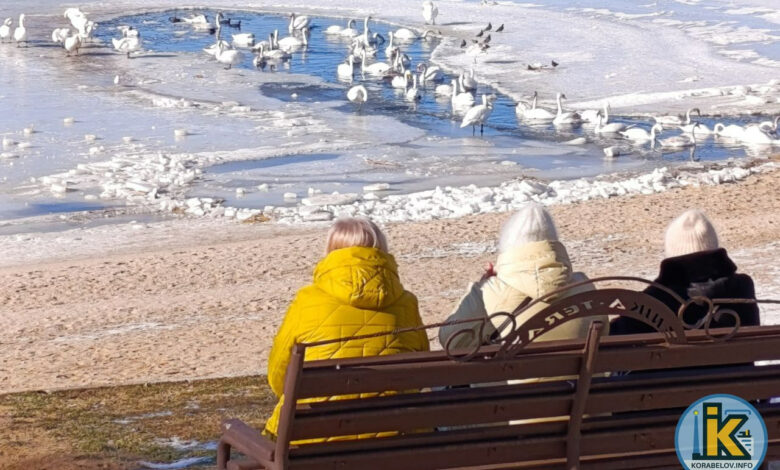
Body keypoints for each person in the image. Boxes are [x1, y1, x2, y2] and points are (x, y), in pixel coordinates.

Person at [264, 217, 430, 441]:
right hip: (396, 437)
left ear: (331, 251)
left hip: (312, 439)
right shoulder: (407, 303)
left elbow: (280, 376)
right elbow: (420, 371)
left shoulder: (307, 301)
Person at [439, 203, 608, 352]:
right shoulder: (584, 284)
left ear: (508, 244)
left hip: (515, 379)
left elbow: (450, 342)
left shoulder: (490, 291)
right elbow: (604, 331)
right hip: (583, 378)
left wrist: (481, 287)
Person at [611, 209, 759, 336]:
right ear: (714, 246)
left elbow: (619, 336)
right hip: (735, 362)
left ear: (671, 250)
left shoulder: (655, 298)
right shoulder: (742, 287)